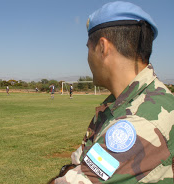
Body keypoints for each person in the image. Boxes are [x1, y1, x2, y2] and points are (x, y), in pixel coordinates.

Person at [50, 1, 174, 184]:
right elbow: (80, 160)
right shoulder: (122, 103)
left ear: (102, 47)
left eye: (88, 48)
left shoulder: (140, 121)